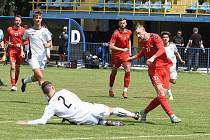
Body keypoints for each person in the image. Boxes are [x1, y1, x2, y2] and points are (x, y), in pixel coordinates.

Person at [17, 81, 139, 126]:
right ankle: (134, 115)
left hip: (82, 120)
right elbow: (77, 99)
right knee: (111, 110)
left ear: (44, 93)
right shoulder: (63, 91)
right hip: (87, 108)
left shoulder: (50, 107)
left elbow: (42, 121)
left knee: (95, 122)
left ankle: (105, 122)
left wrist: (27, 122)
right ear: (53, 87)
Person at [128, 24, 181, 123]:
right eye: (136, 34)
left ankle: (144, 112)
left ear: (144, 30)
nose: (138, 36)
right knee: (161, 93)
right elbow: (144, 52)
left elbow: (161, 49)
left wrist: (153, 57)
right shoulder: (141, 42)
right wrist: (133, 58)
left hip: (165, 68)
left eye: (139, 33)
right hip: (154, 70)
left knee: (162, 96)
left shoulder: (155, 37)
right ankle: (172, 116)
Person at [21, 10, 52, 92]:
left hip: (42, 58)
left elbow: (50, 42)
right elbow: (22, 41)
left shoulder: (45, 31)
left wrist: (47, 45)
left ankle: (24, 81)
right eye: (36, 18)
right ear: (33, 19)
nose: (38, 19)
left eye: (40, 18)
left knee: (36, 77)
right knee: (40, 78)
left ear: (41, 19)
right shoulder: (28, 31)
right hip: (32, 57)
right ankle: (49, 98)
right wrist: (22, 51)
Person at [108, 18, 132, 98]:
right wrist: (122, 49)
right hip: (116, 55)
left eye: (124, 23)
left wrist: (130, 51)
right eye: (121, 23)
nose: (122, 24)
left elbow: (129, 40)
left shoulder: (129, 32)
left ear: (126, 24)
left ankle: (125, 91)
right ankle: (110, 89)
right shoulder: (116, 33)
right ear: (119, 24)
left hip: (125, 55)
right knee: (114, 72)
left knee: (128, 70)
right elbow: (111, 46)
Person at [161, 31, 185, 100]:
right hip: (164, 66)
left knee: (173, 81)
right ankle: (170, 94)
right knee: (166, 80)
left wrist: (181, 60)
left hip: (173, 67)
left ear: (169, 38)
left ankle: (165, 83)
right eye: (164, 37)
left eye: (167, 37)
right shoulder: (160, 46)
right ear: (161, 38)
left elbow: (176, 53)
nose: (165, 38)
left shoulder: (172, 45)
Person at [4, 15, 26, 91]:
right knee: (12, 67)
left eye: (19, 20)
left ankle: (15, 83)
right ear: (14, 21)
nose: (18, 22)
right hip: (12, 50)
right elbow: (6, 39)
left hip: (20, 51)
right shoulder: (9, 29)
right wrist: (8, 42)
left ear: (21, 21)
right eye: (16, 20)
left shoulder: (23, 30)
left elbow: (27, 41)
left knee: (17, 68)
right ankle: (13, 84)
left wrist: (21, 45)